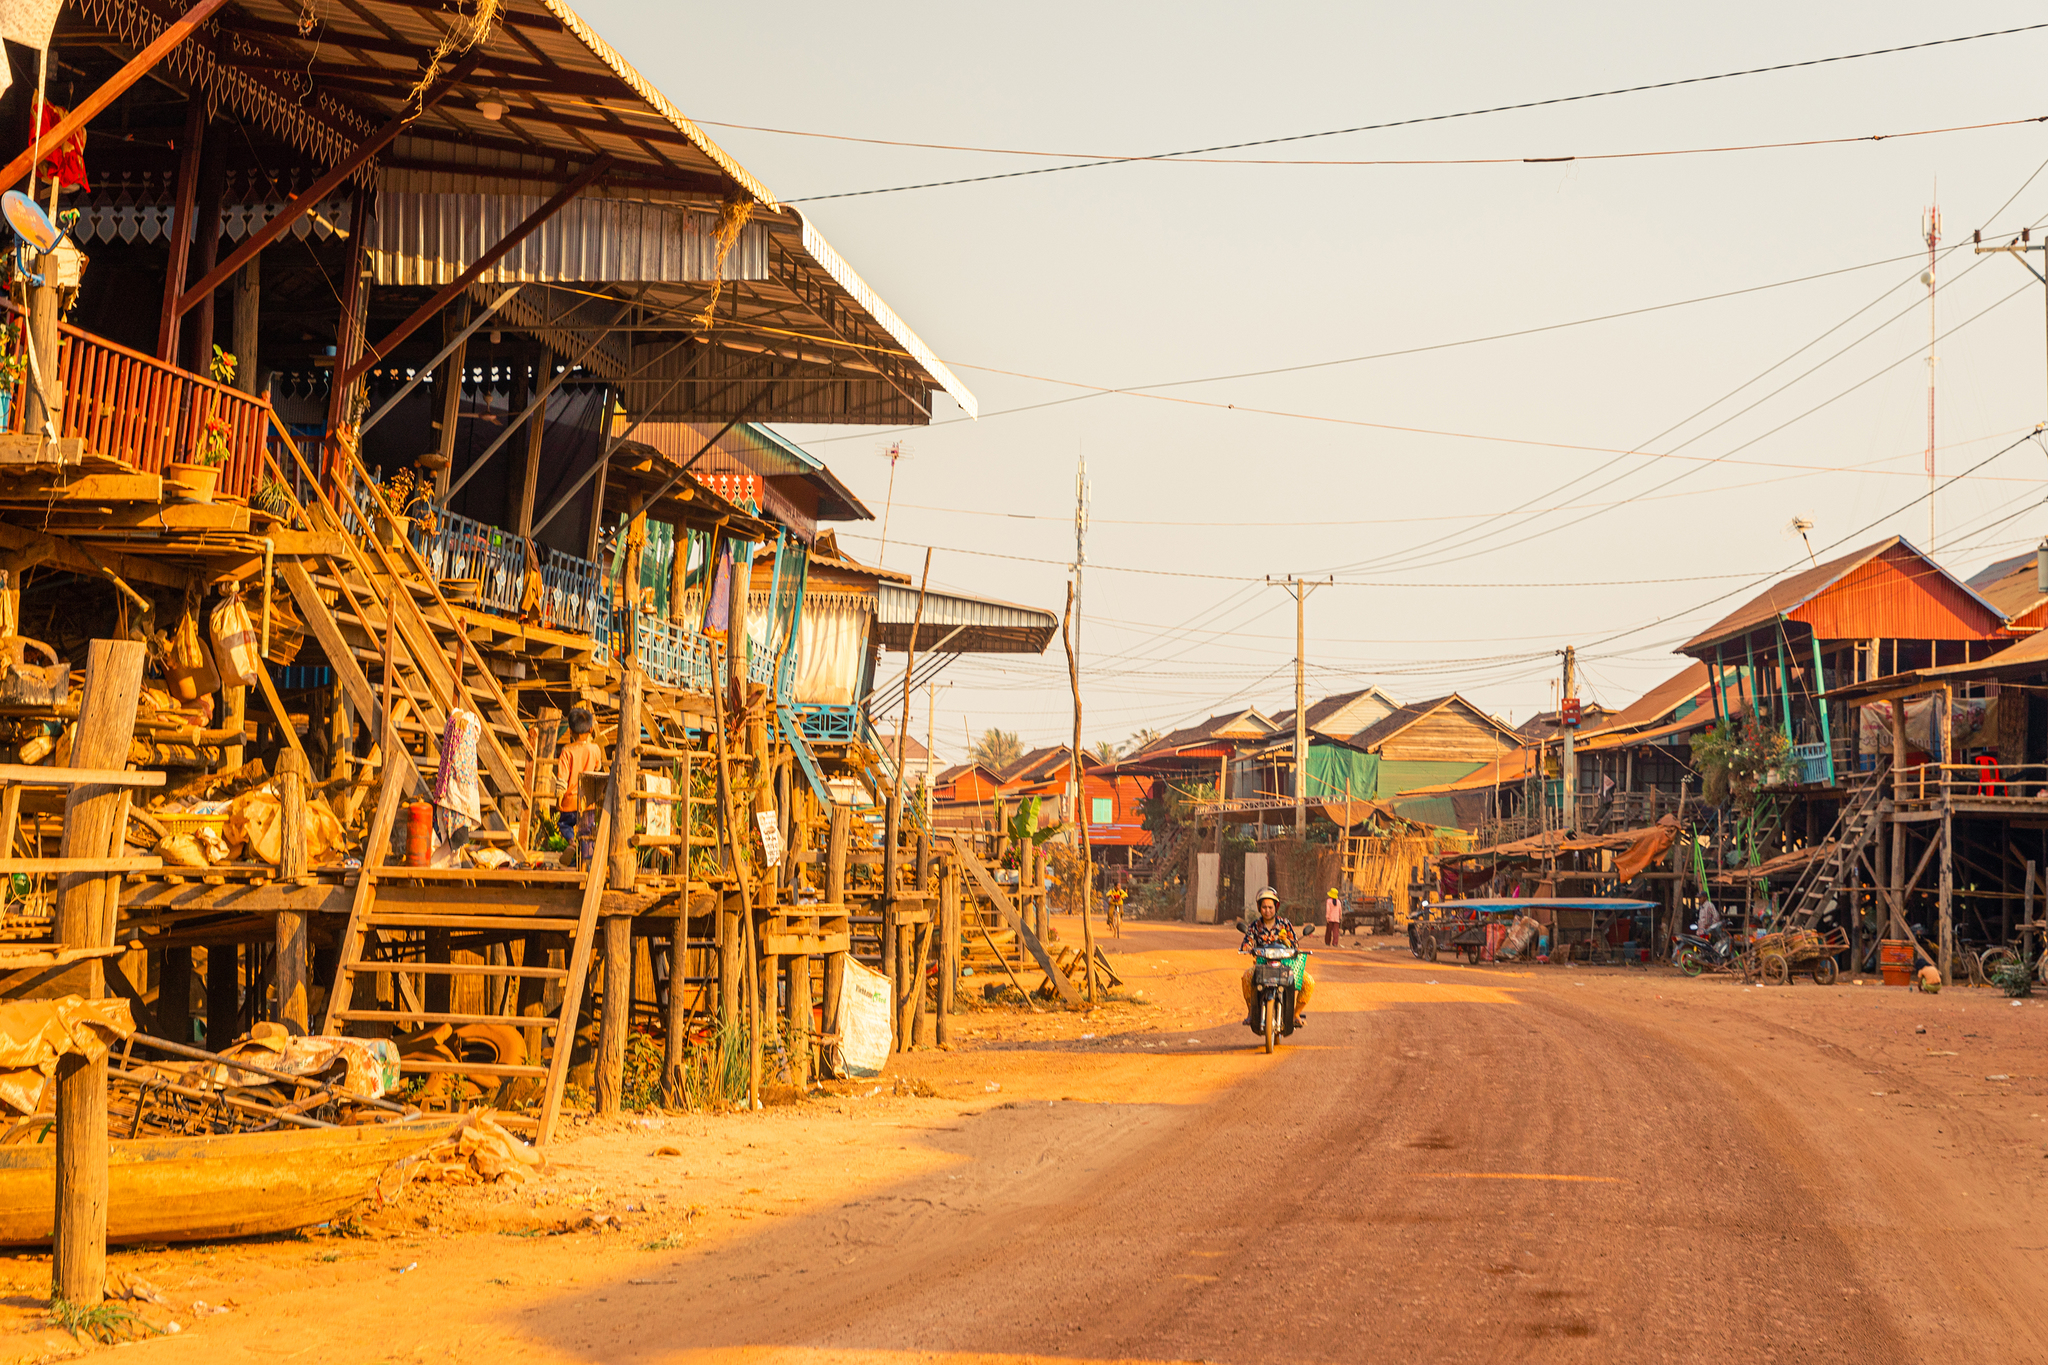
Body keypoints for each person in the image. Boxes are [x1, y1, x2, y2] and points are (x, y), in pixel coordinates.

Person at [1239, 887, 1314, 1026]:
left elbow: (1295, 945)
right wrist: (1248, 947)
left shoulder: (1285, 924)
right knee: (1247, 977)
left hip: (1286, 967)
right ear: (1259, 908)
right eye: (1264, 907)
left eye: (1270, 907)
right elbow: (1247, 942)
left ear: (1276, 907)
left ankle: (1295, 1014)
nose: (1267, 910)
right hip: (1262, 967)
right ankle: (1251, 1012)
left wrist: (1286, 941)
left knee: (1308, 982)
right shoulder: (1254, 926)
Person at [555, 706, 604, 847]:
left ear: (570, 731)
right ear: (590, 730)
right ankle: (584, 862)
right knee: (586, 832)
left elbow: (562, 780)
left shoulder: (566, 751)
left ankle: (571, 842)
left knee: (564, 824)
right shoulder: (595, 749)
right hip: (588, 801)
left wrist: (559, 800)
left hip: (570, 802)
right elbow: (597, 767)